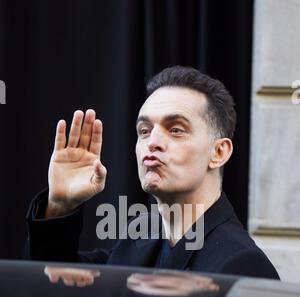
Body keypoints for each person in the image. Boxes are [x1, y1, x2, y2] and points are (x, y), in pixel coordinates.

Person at [26, 66, 279, 279]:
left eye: (176, 129)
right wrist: (60, 205)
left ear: (219, 153)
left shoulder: (243, 266)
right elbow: (54, 285)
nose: (153, 141)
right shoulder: (140, 235)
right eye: (144, 131)